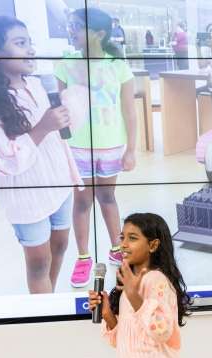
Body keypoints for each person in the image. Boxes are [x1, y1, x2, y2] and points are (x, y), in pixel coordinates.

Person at [0, 15, 83, 294]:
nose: (30, 49)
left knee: (60, 245)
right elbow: (5, 160)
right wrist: (44, 127)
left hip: (57, 182)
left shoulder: (36, 85)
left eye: (30, 43)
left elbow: (59, 131)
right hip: (26, 194)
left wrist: (67, 109)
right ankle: (44, 313)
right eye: (20, 43)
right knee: (38, 263)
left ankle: (46, 298)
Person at [55, 8, 137, 287]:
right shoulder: (65, 64)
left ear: (99, 34)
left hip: (111, 145)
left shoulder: (118, 65)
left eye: (77, 27)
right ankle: (83, 256)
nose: (72, 32)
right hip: (78, 147)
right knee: (81, 201)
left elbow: (129, 111)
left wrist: (132, 150)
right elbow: (60, 111)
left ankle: (118, 249)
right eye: (71, 26)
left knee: (108, 198)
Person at [88, 213, 189, 358]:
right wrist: (108, 315)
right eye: (122, 237)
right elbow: (128, 339)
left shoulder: (156, 280)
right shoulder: (129, 286)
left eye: (132, 238)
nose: (124, 244)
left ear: (153, 245)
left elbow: (161, 332)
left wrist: (135, 296)